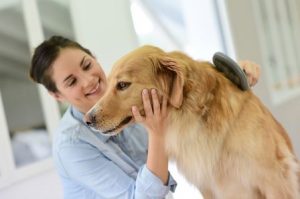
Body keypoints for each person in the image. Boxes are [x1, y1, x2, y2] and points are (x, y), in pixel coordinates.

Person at [29, 36, 260, 199]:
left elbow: (194, 99)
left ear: (94, 58)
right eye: (71, 81)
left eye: (87, 65)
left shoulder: (134, 99)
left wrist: (233, 75)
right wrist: (157, 133)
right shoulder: (71, 146)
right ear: (57, 95)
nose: (88, 80)